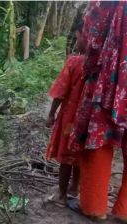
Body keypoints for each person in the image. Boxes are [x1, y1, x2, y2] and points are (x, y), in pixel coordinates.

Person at [67, 1, 127, 221]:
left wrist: (90, 71)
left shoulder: (104, 3)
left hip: (109, 82)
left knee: (98, 140)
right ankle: (124, 210)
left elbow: (91, 42)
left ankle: (94, 207)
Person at [45, 20, 87, 207]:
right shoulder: (102, 65)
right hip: (88, 120)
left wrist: (51, 114)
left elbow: (60, 92)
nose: (76, 41)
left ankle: (61, 195)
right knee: (80, 155)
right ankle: (74, 188)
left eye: (77, 37)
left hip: (70, 118)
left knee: (65, 158)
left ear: (85, 37)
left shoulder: (74, 62)